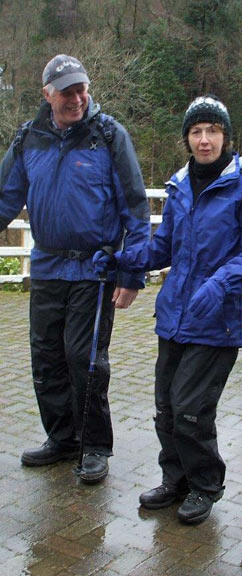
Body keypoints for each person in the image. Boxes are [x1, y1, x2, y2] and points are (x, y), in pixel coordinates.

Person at [94, 94, 242, 523]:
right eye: (196, 132)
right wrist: (126, 260)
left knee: (191, 410)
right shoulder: (179, 184)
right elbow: (165, 246)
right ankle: (174, 479)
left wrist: (221, 285)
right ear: (187, 139)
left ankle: (205, 485)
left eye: (212, 130)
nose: (204, 139)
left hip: (218, 320)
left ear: (225, 136)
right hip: (175, 315)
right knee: (167, 408)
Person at [0, 54, 150, 484]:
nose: (77, 98)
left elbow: (135, 207)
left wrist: (132, 272)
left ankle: (95, 445)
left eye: (81, 88)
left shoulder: (108, 136)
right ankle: (62, 438)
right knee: (46, 358)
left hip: (94, 270)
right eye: (66, 91)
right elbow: (5, 198)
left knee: (83, 359)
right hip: (47, 268)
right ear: (47, 95)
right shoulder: (29, 139)